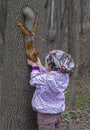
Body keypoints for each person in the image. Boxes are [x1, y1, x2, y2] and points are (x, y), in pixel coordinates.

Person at [27, 50, 74, 130]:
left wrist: (35, 66)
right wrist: (40, 66)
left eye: (46, 63)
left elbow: (34, 80)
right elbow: (49, 75)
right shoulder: (64, 77)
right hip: (57, 113)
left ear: (50, 67)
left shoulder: (46, 79)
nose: (45, 65)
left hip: (46, 115)